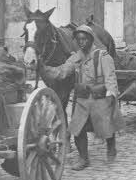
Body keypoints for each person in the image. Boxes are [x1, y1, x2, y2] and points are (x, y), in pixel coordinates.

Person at [46, 25, 123, 170]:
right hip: (82, 99)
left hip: (100, 98)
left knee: (106, 127)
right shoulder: (77, 57)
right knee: (77, 129)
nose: (81, 42)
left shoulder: (103, 56)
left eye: (84, 39)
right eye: (79, 39)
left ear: (91, 39)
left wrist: (111, 92)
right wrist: (43, 69)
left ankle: (111, 147)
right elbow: (62, 71)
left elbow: (110, 77)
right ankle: (83, 158)